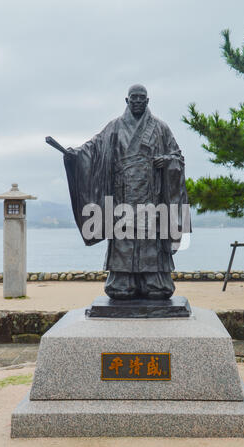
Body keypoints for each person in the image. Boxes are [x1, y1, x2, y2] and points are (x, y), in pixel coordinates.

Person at [63, 84, 189, 300]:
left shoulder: (160, 128)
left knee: (151, 240)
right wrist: (75, 156)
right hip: (123, 196)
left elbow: (178, 157)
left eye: (142, 98)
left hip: (152, 198)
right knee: (124, 240)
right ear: (127, 100)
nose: (138, 101)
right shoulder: (114, 127)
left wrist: (166, 161)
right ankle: (123, 281)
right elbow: (93, 148)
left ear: (148, 101)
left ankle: (154, 281)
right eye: (134, 98)